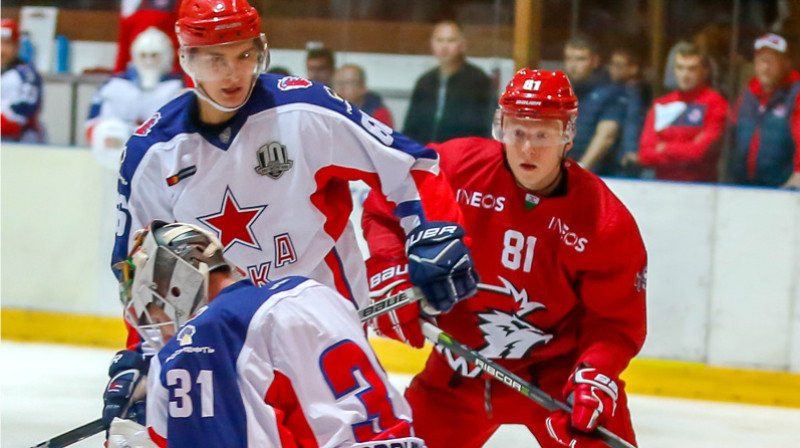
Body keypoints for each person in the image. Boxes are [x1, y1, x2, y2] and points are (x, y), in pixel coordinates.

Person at [105, 0, 478, 432]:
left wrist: (435, 234)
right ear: (187, 58)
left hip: (320, 325)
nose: (234, 72)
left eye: (244, 54)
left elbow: (409, 167)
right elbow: (144, 270)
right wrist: (144, 355)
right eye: (216, 59)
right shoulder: (152, 154)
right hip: (216, 342)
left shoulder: (304, 110)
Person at [362, 69, 646, 448]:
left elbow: (614, 323)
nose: (528, 148)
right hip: (457, 373)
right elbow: (385, 202)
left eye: (543, 134)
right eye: (517, 132)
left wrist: (595, 374)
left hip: (556, 380)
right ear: (500, 127)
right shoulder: (457, 168)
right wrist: (390, 270)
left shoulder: (604, 221)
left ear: (568, 134)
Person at [106, 220, 425, 448]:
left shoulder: (199, 341)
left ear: (175, 287)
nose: (157, 331)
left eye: (153, 310)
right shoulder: (314, 293)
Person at [86, 27, 184, 169]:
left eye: (154, 56)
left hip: (162, 161)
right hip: (116, 159)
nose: (149, 61)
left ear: (167, 56)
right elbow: (93, 125)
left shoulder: (178, 87)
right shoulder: (114, 86)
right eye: (143, 55)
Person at [635, 42, 727, 183]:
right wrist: (686, 149)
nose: (684, 75)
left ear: (704, 71)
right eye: (680, 68)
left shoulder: (715, 103)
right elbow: (645, 154)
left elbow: (699, 152)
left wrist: (664, 147)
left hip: (700, 187)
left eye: (691, 69)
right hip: (661, 186)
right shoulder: (662, 104)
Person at [403, 21, 494, 143]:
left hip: (463, 154)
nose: (444, 46)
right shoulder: (424, 82)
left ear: (462, 45)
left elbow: (486, 127)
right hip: (426, 155)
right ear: (431, 44)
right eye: (439, 40)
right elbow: (411, 128)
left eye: (451, 40)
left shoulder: (478, 81)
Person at [730, 33, 800, 189]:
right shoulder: (747, 94)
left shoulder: (795, 93)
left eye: (772, 61)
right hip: (742, 187)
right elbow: (730, 137)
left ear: (786, 63)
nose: (766, 67)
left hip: (782, 189)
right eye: (761, 60)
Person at [563, 34, 626, 175]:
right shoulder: (561, 92)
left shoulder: (611, 93)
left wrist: (582, 168)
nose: (573, 65)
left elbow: (606, 136)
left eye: (580, 59)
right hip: (561, 170)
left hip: (597, 174)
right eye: (569, 58)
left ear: (595, 61)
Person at [609, 45, 652, 178]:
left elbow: (633, 119)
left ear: (633, 68)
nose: (613, 69)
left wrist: (630, 149)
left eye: (619, 65)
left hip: (626, 154)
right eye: (612, 64)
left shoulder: (633, 90)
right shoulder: (613, 88)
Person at [1, 18, 44, 143]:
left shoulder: (27, 75)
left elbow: (20, 118)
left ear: (17, 47)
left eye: (7, 44)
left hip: (21, 145)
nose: (1, 50)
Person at [114, 0, 182, 74]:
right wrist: (119, 72)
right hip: (136, 69)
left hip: (173, 70)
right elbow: (124, 43)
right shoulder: (131, 5)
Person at [333, 64, 394, 128]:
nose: (341, 88)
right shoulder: (327, 110)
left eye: (348, 83)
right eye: (338, 83)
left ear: (362, 87)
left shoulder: (378, 114)